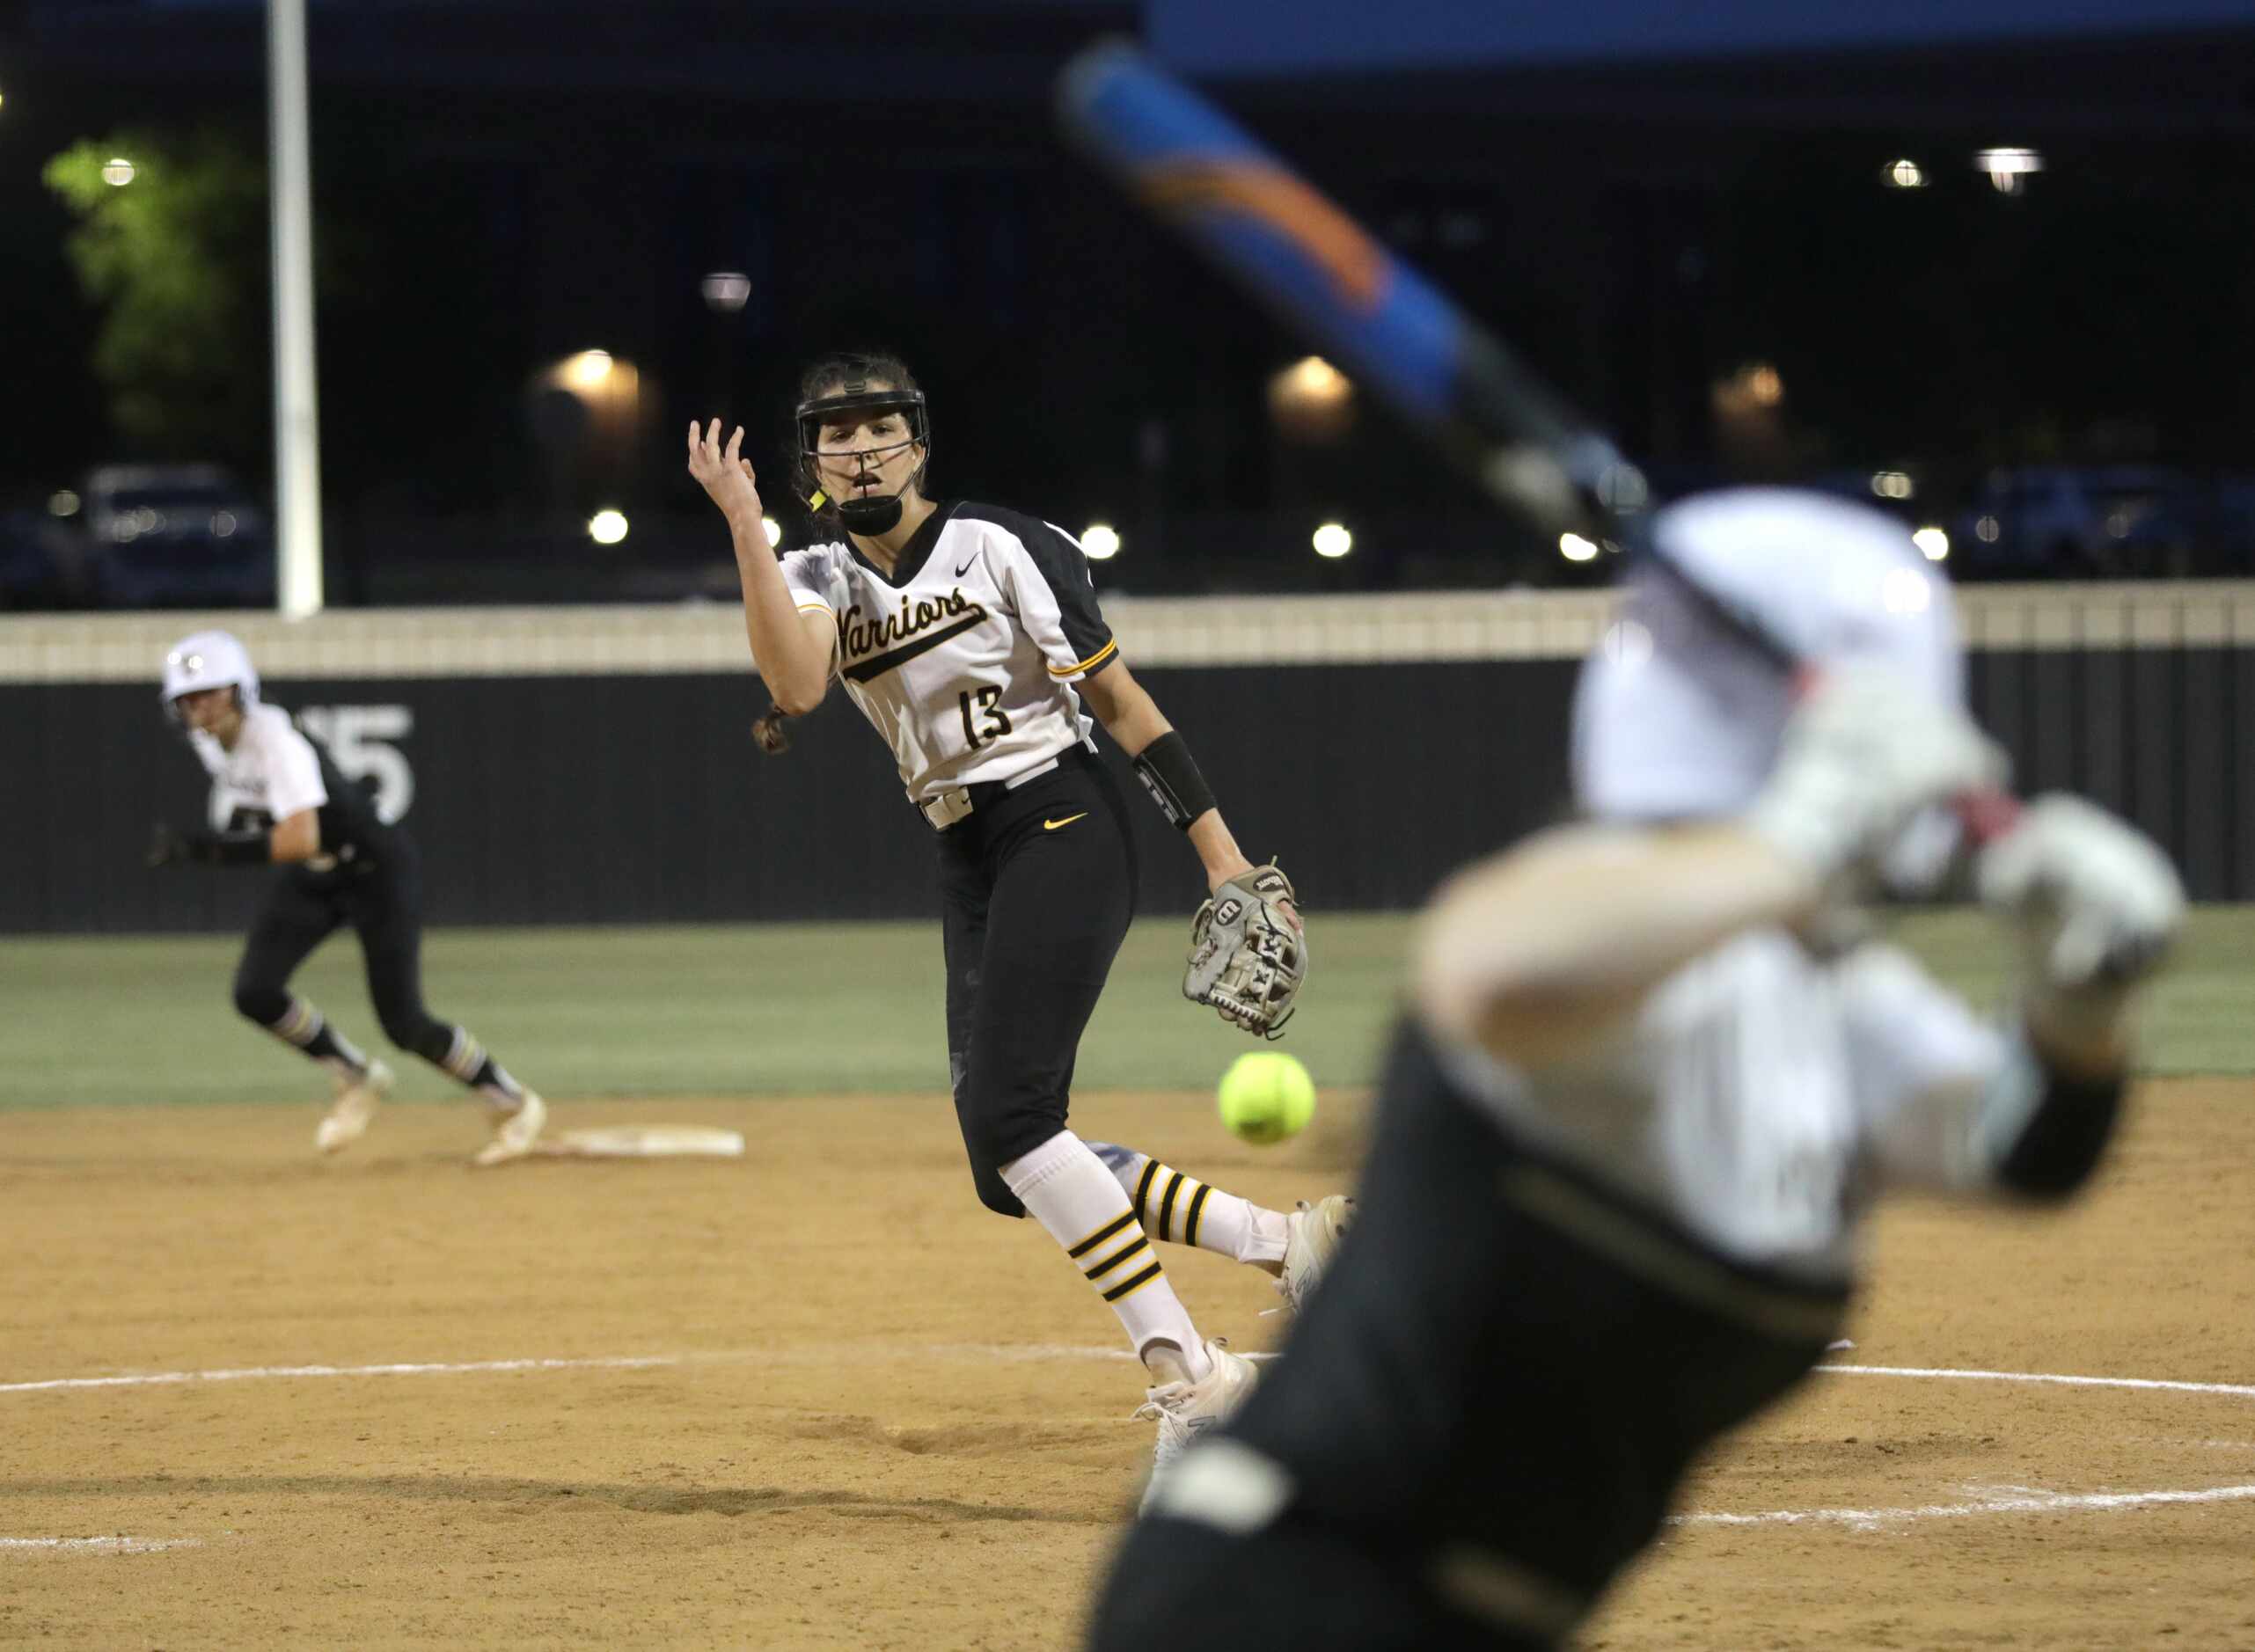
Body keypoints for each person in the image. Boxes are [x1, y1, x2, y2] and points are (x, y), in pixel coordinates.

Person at [1088, 488, 2185, 1648]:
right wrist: (1801, 834)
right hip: (1260, 1601)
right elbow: (1487, 968)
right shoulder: (1572, 927)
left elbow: (2024, 1150)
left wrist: (2077, 1008)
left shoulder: (1834, 1010)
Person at [686, 350, 1351, 1492]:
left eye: (878, 427)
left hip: (1060, 819)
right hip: (966, 857)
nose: (857, 448)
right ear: (810, 463)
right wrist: (745, 520)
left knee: (1013, 1116)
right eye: (833, 434)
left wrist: (1219, 851)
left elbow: (1117, 700)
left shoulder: (1006, 544)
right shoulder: (812, 572)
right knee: (1008, 1164)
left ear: (919, 441)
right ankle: (1282, 1244)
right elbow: (794, 686)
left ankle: (1193, 1379)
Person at [147, 629, 548, 1167]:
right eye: (189, 699)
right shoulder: (208, 741)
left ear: (241, 691)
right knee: (256, 993)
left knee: (404, 1022)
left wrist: (210, 851)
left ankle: (513, 1101)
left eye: (212, 693)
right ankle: (355, 1075)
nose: (201, 707)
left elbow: (301, 837)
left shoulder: (275, 741)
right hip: (319, 875)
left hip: (375, 868)